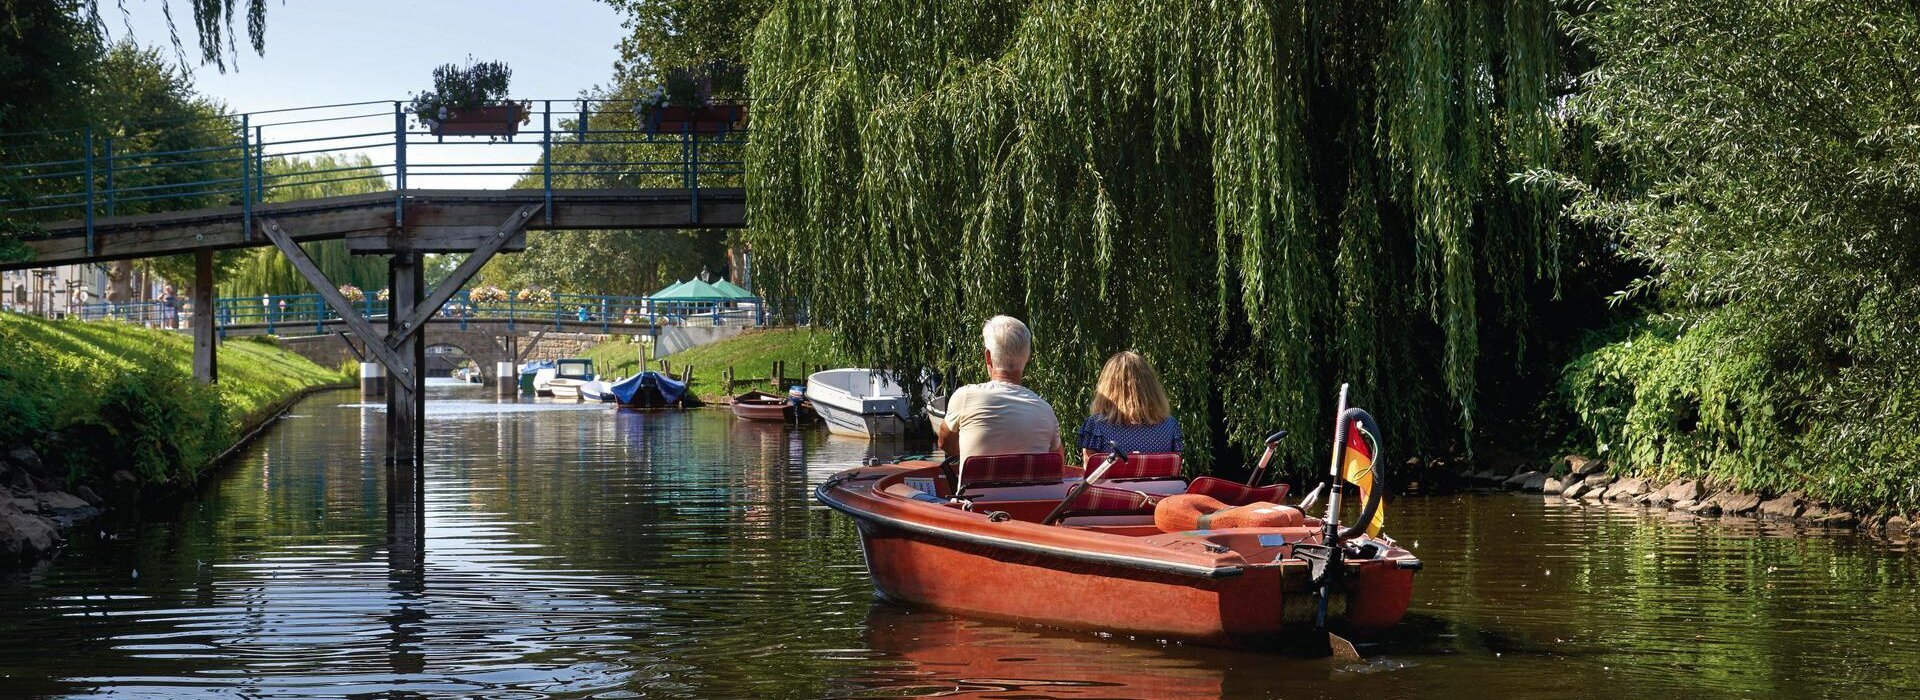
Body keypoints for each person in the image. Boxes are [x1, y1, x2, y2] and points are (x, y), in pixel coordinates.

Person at [936, 316, 1062, 467]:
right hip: (1031, 492)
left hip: (975, 491)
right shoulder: (1045, 410)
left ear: (988, 357)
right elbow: (1058, 463)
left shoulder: (965, 397)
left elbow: (944, 443)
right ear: (1027, 358)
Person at [1076, 350, 1183, 464]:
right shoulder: (1170, 426)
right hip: (1159, 482)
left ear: (1108, 387)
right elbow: (1174, 471)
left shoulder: (1096, 426)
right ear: (1150, 387)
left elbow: (1090, 474)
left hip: (1109, 482)